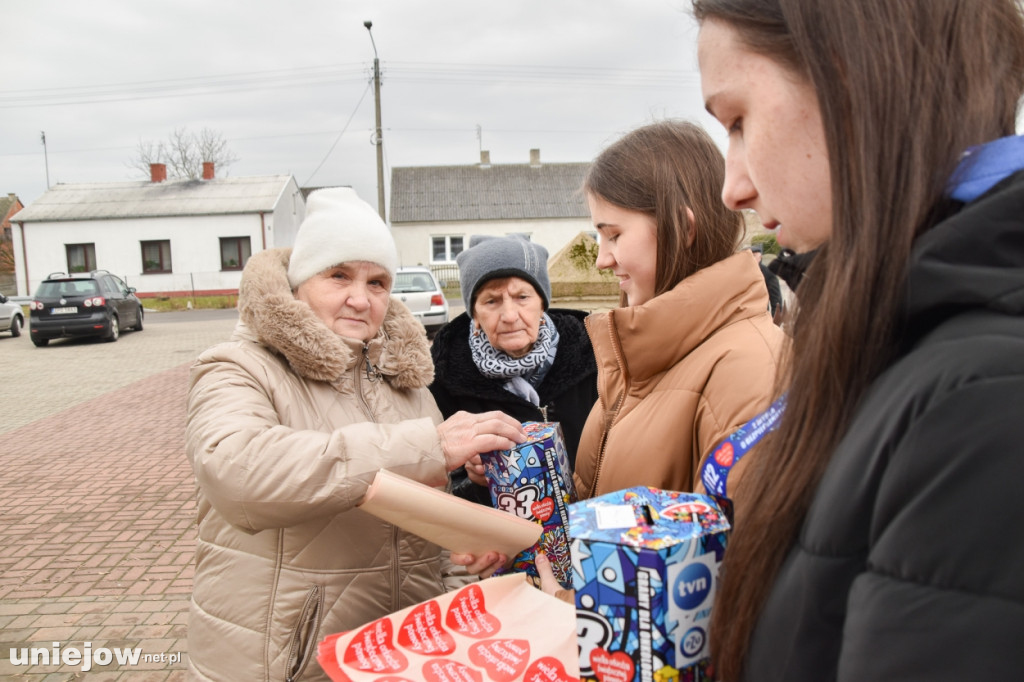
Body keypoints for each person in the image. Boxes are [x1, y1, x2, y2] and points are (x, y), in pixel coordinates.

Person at [692, 1, 1024, 679]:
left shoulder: (984, 399)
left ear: (849, 79)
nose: (733, 187)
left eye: (737, 121)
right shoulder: (896, 331)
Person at [185, 188, 525, 682]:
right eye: (339, 275)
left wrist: (461, 558)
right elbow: (238, 474)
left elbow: (418, 512)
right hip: (290, 661)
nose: (361, 299)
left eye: (378, 282)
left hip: (399, 652)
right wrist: (428, 447)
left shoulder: (404, 380)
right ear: (301, 282)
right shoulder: (237, 367)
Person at [572, 120, 785, 502]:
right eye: (598, 236)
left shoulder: (749, 371)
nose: (602, 259)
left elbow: (737, 553)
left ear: (683, 228)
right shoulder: (644, 350)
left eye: (615, 235)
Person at [429, 234, 598, 505]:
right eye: (491, 301)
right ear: (474, 314)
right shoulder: (444, 377)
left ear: (542, 303)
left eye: (522, 297)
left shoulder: (595, 357)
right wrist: (473, 480)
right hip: (499, 541)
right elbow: (440, 491)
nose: (509, 316)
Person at [748, 243, 783, 320]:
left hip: (762, 317)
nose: (751, 258)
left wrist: (775, 323)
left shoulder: (768, 274)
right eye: (750, 256)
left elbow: (776, 303)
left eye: (754, 256)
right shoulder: (744, 273)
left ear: (760, 257)